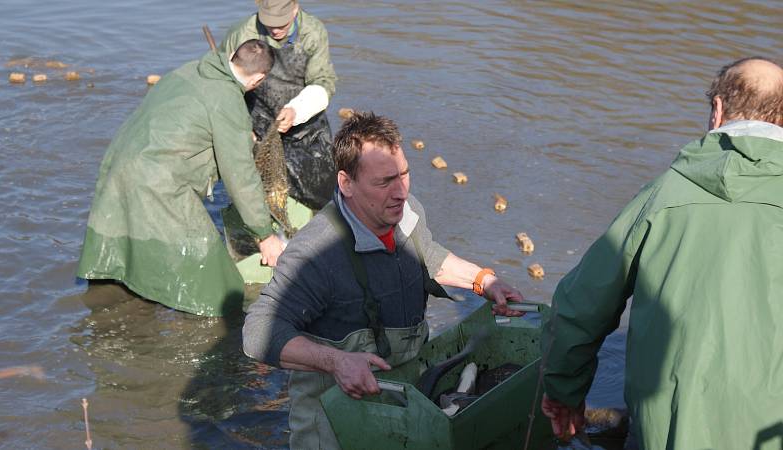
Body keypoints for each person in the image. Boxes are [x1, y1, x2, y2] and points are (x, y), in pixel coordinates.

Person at [242, 112, 526, 449]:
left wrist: (484, 281)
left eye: (404, 175)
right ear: (346, 183)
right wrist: (337, 362)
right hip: (335, 422)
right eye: (384, 182)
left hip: (402, 400)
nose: (400, 192)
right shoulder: (316, 254)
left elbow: (428, 255)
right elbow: (257, 332)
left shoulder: (408, 213)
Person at [540, 56, 783, 450]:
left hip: (668, 430)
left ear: (717, 112)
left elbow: (578, 309)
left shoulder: (663, 195)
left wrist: (564, 394)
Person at [77, 40, 286, 317]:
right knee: (217, 288)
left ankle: (112, 304)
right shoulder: (228, 101)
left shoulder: (191, 69)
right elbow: (241, 176)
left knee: (118, 257)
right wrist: (264, 235)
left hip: (119, 165)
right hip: (157, 181)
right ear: (258, 79)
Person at [220, 0, 338, 210]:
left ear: (295, 9)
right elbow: (223, 86)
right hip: (258, 123)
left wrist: (296, 110)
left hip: (305, 122)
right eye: (269, 23)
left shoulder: (312, 32)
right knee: (255, 191)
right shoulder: (242, 33)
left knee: (322, 190)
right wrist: (240, 127)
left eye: (281, 24)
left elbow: (323, 82)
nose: (274, 30)